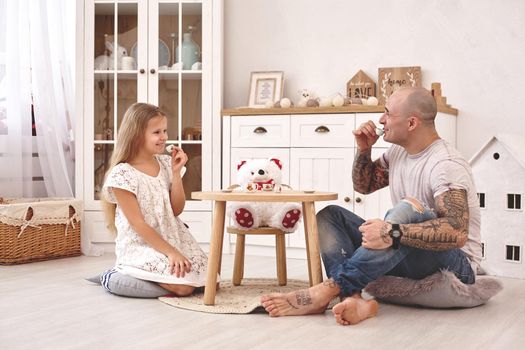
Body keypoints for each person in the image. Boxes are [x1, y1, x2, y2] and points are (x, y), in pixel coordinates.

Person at [261, 87, 482, 325]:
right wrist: (364, 149)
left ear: (411, 123)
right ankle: (353, 297)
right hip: (406, 252)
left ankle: (330, 288)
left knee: (409, 208)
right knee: (329, 216)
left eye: (388, 113)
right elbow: (364, 185)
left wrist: (390, 232)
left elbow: (456, 232)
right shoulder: (399, 151)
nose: (381, 119)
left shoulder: (445, 164)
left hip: (455, 266)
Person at [101, 102, 210, 296]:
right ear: (136, 135)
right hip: (141, 243)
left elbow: (176, 210)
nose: (164, 137)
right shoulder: (122, 174)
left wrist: (175, 174)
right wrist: (171, 253)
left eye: (165, 131)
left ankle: (147, 278)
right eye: (156, 132)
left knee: (210, 281)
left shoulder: (166, 164)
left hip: (171, 238)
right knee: (184, 287)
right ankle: (113, 276)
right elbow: (138, 224)